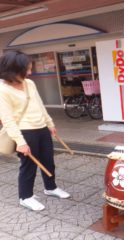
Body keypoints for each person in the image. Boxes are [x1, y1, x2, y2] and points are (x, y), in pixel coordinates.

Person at [0, 51, 70, 211]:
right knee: (29, 166)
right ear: (13, 70)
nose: (30, 73)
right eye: (27, 70)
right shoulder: (2, 90)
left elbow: (39, 104)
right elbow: (7, 120)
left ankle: (50, 188)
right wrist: (20, 142)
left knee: (48, 161)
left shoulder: (29, 83)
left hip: (41, 128)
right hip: (25, 131)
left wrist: (50, 123)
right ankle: (25, 197)